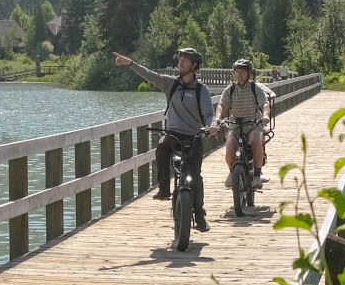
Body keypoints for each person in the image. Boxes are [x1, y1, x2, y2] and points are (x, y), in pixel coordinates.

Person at [113, 47, 214, 232]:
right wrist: (131, 64)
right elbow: (150, 75)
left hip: (193, 136)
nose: (180, 63)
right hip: (174, 134)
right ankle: (164, 189)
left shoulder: (202, 90)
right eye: (180, 59)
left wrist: (211, 126)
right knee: (161, 145)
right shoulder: (171, 84)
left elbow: (209, 113)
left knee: (195, 178)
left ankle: (199, 215)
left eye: (184, 60)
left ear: (194, 66)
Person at [210, 58, 268, 187]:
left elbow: (264, 103)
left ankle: (257, 175)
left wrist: (265, 116)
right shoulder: (230, 89)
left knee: (255, 141)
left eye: (242, 71)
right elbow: (221, 105)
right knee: (230, 147)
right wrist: (218, 118)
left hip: (253, 124)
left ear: (248, 73)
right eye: (237, 71)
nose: (239, 74)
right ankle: (232, 172)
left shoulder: (255, 88)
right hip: (236, 125)